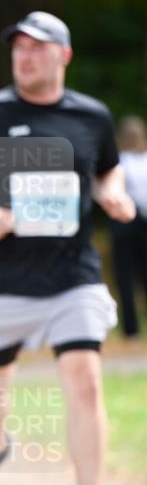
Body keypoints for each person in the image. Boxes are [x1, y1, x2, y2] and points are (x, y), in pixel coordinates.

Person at [0, 11, 136, 485]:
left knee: (85, 378)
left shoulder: (91, 116)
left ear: (64, 55)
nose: (25, 56)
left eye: (38, 47)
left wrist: (113, 193)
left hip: (72, 274)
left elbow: (104, 168)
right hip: (2, 278)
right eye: (19, 47)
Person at [110, 116, 147, 337]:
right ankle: (130, 329)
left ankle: (133, 329)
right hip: (125, 224)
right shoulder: (119, 161)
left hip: (138, 224)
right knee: (126, 277)